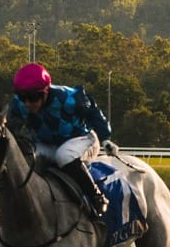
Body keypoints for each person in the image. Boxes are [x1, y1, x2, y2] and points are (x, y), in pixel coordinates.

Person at [6, 62, 112, 217]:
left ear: (46, 91)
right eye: (23, 98)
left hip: (83, 140)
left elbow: (94, 113)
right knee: (29, 157)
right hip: (49, 144)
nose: (28, 103)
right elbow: (11, 128)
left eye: (33, 98)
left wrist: (105, 139)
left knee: (64, 155)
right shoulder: (18, 104)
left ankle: (97, 197)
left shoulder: (69, 97)